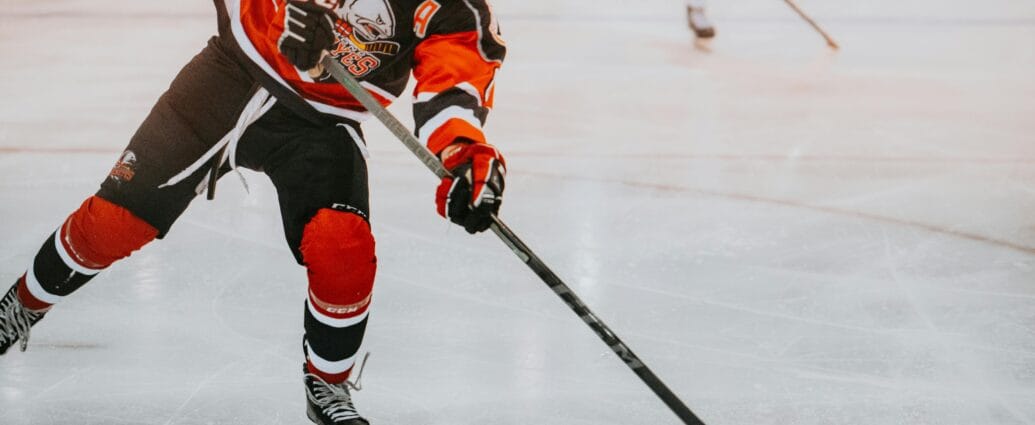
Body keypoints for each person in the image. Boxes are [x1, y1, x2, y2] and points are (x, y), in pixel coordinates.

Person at [0, 0, 507, 423]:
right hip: (228, 76)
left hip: (323, 120)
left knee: (343, 245)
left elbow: (454, 86)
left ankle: (327, 386)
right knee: (113, 223)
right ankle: (22, 304)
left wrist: (463, 157)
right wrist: (287, 20)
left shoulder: (456, 9)